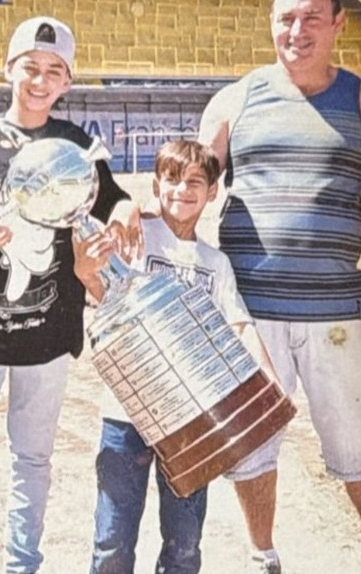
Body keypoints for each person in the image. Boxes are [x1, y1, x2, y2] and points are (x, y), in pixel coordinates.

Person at [198, 0, 361, 574]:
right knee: (250, 448)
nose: (296, 31)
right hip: (249, 316)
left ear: (338, 25)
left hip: (338, 317)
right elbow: (191, 186)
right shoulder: (233, 101)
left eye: (310, 18)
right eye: (285, 19)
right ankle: (262, 557)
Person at [0, 15, 140, 574]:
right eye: (30, 67)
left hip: (48, 333)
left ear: (67, 81)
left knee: (32, 461)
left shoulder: (76, 144)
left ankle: (22, 568)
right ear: (8, 70)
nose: (40, 80)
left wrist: (127, 209)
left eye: (53, 71)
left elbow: (111, 198)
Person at [74, 139, 277, 574]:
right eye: (171, 180)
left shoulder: (215, 263)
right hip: (126, 414)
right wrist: (88, 264)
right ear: (155, 185)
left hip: (192, 421)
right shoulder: (134, 237)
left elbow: (239, 325)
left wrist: (269, 380)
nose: (181, 190)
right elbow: (95, 282)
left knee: (184, 544)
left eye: (194, 182)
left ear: (212, 192)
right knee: (112, 541)